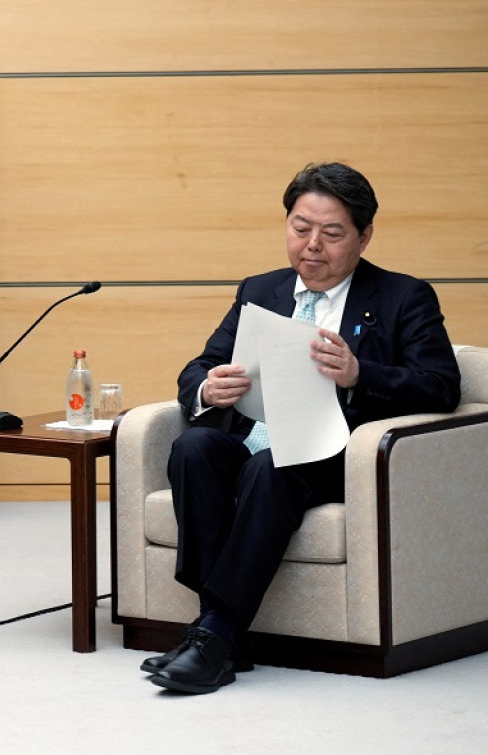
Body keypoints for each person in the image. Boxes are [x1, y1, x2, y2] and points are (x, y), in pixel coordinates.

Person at [144, 162, 461, 694]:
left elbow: (441, 386)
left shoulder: (403, 297)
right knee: (194, 447)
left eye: (332, 233)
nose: (312, 245)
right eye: (300, 228)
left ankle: (213, 637)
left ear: (363, 236)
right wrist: (207, 387)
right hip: (257, 438)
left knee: (273, 467)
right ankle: (219, 635)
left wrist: (362, 373)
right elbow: (199, 365)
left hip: (337, 453)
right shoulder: (260, 290)